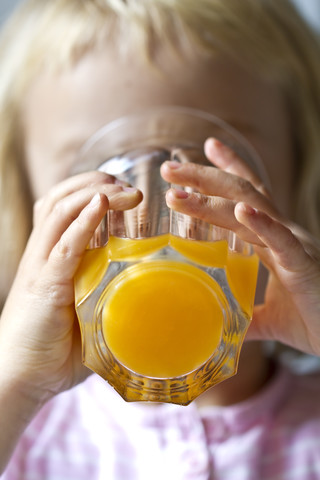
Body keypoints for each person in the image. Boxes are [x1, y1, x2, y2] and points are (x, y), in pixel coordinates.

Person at [0, 0, 320, 478]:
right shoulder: (21, 430)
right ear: (25, 199)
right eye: (102, 170)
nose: (157, 204)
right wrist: (16, 384)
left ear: (302, 179)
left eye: (210, 163)